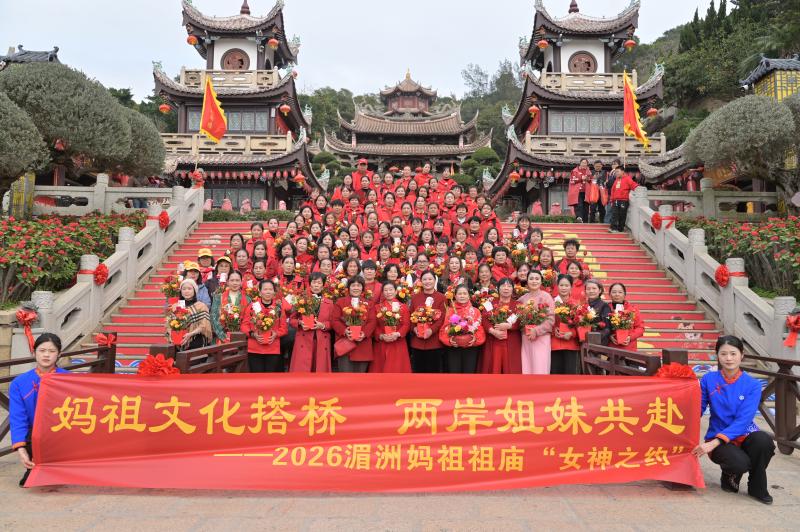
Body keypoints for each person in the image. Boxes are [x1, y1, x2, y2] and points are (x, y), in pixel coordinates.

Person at [693, 336, 775, 505]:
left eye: (733, 353)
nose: (728, 358)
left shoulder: (752, 384)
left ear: (742, 355)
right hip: (718, 434)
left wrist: (713, 443)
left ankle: (757, 487)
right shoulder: (709, 379)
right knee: (739, 463)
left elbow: (744, 420)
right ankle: (730, 475)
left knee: (764, 441)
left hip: (743, 434)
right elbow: (697, 409)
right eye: (723, 354)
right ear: (717, 355)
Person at [9, 333, 68, 487]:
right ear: (34, 352)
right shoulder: (19, 383)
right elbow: (17, 417)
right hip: (34, 434)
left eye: (52, 351)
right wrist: (21, 449)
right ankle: (34, 466)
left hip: (62, 431)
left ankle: (60, 467)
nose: (46, 355)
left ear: (59, 354)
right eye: (42, 350)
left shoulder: (70, 379)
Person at [289, 273, 334, 372]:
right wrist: (300, 323)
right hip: (304, 338)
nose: (316, 285)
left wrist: (322, 325)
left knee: (320, 370)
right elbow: (292, 320)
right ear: (310, 284)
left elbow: (333, 323)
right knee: (302, 371)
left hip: (321, 339)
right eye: (314, 282)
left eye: (319, 283)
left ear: (323, 285)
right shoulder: (300, 299)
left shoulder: (329, 303)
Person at [241, 279, 289, 372]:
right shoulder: (252, 306)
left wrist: (276, 334)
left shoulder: (278, 308)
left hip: (273, 348)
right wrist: (253, 334)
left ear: (274, 292)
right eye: (265, 289)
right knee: (257, 377)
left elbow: (284, 328)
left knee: (270, 377)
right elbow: (244, 325)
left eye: (270, 289)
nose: (268, 292)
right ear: (260, 292)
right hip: (255, 348)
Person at [332, 276, 376, 373]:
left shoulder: (369, 303)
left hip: (363, 346)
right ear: (348, 287)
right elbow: (334, 320)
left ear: (362, 288)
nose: (356, 288)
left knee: (360, 378)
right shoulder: (340, 302)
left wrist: (364, 333)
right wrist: (345, 331)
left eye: (359, 285)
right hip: (345, 345)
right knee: (345, 377)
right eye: (353, 285)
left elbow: (372, 321)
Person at [439, 284, 485, 373]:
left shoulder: (476, 311)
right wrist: (449, 340)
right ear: (455, 296)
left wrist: (475, 339)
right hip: (454, 347)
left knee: (469, 373)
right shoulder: (449, 310)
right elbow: (444, 329)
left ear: (469, 296)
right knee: (454, 374)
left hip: (471, 348)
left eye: (465, 293)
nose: (462, 296)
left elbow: (480, 329)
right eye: (459, 294)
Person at [408, 270, 447, 373]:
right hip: (417, 342)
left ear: (435, 281)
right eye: (424, 279)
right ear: (421, 281)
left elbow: (442, 319)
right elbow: (410, 316)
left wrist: (431, 330)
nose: (427, 281)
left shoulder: (441, 298)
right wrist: (414, 328)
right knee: (418, 373)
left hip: (434, 342)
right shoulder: (415, 297)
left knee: (433, 374)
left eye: (430, 279)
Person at [481, 278, 522, 374]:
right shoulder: (489, 303)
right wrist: (493, 331)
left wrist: (509, 326)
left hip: (511, 341)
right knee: (493, 368)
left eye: (509, 286)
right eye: (503, 286)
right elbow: (484, 319)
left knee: (511, 370)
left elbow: (521, 321)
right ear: (498, 288)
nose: (506, 288)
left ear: (512, 289)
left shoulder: (518, 305)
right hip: (494, 340)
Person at [517, 270, 555, 374]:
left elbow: (551, 319)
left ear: (541, 281)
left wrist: (536, 330)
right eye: (531, 279)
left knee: (540, 369)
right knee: (527, 368)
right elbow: (517, 318)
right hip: (526, 338)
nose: (534, 281)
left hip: (541, 337)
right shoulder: (522, 299)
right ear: (527, 281)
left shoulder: (546, 297)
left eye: (537, 279)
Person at [371, 282, 412, 373]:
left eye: (391, 289)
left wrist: (397, 334)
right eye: (385, 290)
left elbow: (406, 324)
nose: (388, 292)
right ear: (382, 293)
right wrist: (381, 336)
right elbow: (374, 325)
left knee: (397, 369)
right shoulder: (377, 307)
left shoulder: (403, 307)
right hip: (382, 342)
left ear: (396, 291)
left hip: (398, 342)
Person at [166, 278, 213, 350]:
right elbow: (169, 325)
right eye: (184, 289)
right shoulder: (175, 306)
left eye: (189, 289)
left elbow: (204, 326)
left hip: (196, 340)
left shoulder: (201, 306)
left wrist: (190, 334)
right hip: (178, 341)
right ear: (181, 291)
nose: (186, 291)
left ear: (194, 291)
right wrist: (171, 335)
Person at [551, 274, 582, 374]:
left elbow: (582, 325)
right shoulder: (551, 302)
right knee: (555, 375)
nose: (564, 288)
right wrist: (553, 330)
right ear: (557, 286)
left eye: (566, 285)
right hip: (554, 345)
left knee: (570, 375)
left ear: (571, 287)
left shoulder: (576, 304)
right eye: (561, 285)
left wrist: (572, 333)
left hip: (571, 345)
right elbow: (545, 321)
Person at [210, 270, 248, 343]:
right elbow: (214, 318)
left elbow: (248, 320)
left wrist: (239, 336)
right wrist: (224, 337)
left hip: (241, 339)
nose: (234, 283)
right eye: (232, 280)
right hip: (221, 338)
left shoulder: (247, 299)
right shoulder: (219, 297)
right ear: (227, 282)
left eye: (237, 280)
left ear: (241, 282)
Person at [608, 282, 645, 351]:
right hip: (611, 349)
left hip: (629, 349)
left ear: (625, 294)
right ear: (609, 294)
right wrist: (609, 335)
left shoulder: (632, 309)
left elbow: (640, 328)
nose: (617, 294)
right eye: (614, 292)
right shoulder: (606, 309)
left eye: (620, 292)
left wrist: (630, 337)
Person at [609, 169, 639, 233]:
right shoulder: (616, 180)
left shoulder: (627, 179)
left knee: (622, 215)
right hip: (615, 200)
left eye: (618, 171)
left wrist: (639, 189)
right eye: (615, 172)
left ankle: (620, 228)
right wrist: (611, 200)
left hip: (624, 200)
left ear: (622, 172)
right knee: (614, 214)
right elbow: (613, 190)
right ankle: (613, 228)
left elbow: (634, 185)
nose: (616, 173)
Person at [584, 279, 611, 345]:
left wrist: (594, 337)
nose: (591, 291)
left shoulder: (604, 306)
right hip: (583, 341)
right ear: (585, 291)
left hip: (598, 343)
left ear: (600, 290)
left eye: (594, 288)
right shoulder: (583, 305)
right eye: (588, 289)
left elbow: (607, 328)